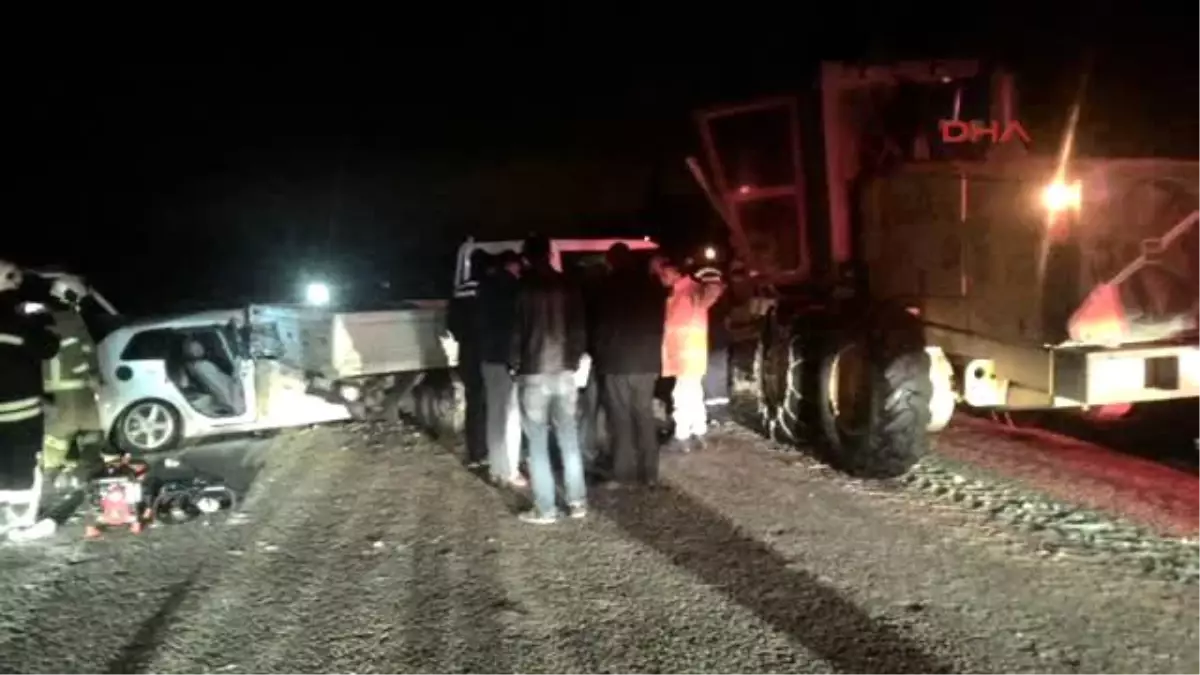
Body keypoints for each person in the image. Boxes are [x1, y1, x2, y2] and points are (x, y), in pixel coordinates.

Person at [509, 234, 589, 524]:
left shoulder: (521, 289)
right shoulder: (568, 285)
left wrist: (514, 363)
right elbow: (579, 329)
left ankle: (546, 509)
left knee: (538, 445)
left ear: (527, 257)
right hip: (564, 373)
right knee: (569, 439)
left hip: (532, 373)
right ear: (550, 254)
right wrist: (573, 359)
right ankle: (577, 502)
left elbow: (516, 332)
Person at [592, 243, 666, 486]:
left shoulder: (604, 287)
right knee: (644, 416)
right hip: (646, 361)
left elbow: (599, 326)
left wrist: (598, 354)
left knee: (620, 418)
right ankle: (650, 473)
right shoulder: (652, 286)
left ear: (611, 261)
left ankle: (623, 472)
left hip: (616, 362)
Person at [0, 260, 62, 539]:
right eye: (14, 277)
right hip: (20, 410)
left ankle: (4, 519)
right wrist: (41, 318)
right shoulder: (16, 316)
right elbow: (47, 347)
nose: (18, 283)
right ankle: (23, 525)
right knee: (24, 468)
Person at [658, 258, 725, 453]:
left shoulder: (690, 291)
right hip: (689, 354)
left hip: (685, 355)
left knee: (682, 395)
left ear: (674, 272)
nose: (661, 279)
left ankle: (682, 436)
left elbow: (712, 291)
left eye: (664, 274)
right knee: (693, 394)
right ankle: (699, 431)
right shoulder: (682, 292)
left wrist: (710, 276)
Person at [477, 250, 525, 487]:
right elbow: (517, 327)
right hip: (508, 360)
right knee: (512, 417)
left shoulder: (483, 288)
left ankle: (497, 468)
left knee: (495, 415)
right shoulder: (515, 289)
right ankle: (510, 470)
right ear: (513, 266)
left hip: (488, 357)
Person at [448, 248, 491, 467]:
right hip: (489, 353)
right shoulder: (490, 289)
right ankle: (492, 450)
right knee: (491, 403)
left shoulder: (460, 291)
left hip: (468, 352)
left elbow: (452, 325)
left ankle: (476, 453)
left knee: (474, 402)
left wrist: (464, 337)